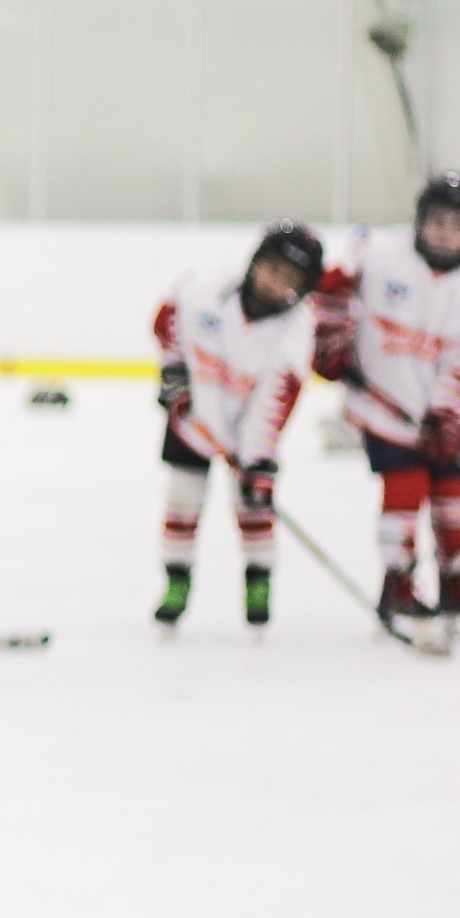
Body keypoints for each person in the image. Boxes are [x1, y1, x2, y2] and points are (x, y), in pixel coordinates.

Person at [312, 172, 460, 631]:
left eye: (457, 223)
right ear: (419, 220)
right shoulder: (379, 257)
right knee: (405, 491)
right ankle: (398, 582)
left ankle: (456, 581)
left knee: (454, 496)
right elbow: (331, 293)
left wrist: (448, 413)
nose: (444, 231)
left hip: (441, 415)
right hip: (386, 411)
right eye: (436, 220)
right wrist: (332, 344)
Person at [151, 223, 320, 629]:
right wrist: (174, 374)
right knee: (182, 499)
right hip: (192, 420)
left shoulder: (294, 339)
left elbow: (272, 408)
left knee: (254, 508)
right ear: (254, 262)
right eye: (271, 268)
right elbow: (165, 323)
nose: (275, 282)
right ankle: (177, 582)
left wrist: (257, 460)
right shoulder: (204, 291)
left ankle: (258, 584)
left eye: (289, 279)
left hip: (246, 429)